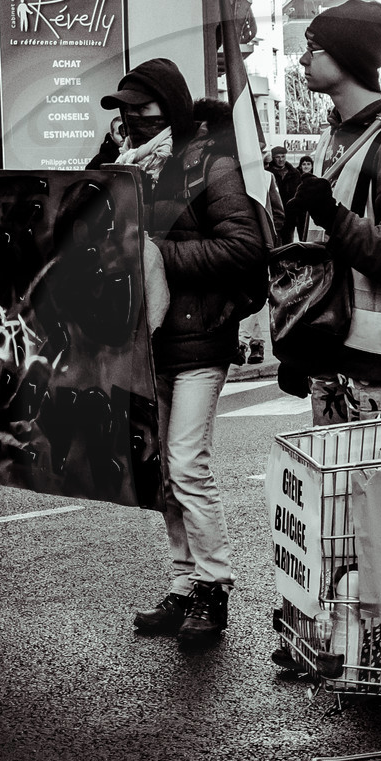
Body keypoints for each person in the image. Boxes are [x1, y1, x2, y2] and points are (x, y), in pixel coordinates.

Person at [99, 61, 266, 648]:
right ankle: (183, 581)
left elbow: (244, 248)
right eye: (121, 110)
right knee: (166, 472)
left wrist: (156, 255)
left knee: (189, 465)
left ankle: (214, 588)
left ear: (168, 108)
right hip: (150, 343)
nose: (128, 120)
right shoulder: (127, 169)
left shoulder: (209, 165)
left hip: (199, 339)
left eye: (139, 109)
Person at [278, 0, 381, 423]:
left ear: (346, 56)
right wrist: (300, 343)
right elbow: (322, 259)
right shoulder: (332, 139)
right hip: (332, 353)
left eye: (313, 49)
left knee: (376, 487)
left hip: (378, 363)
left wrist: (332, 214)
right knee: (334, 487)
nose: (301, 60)